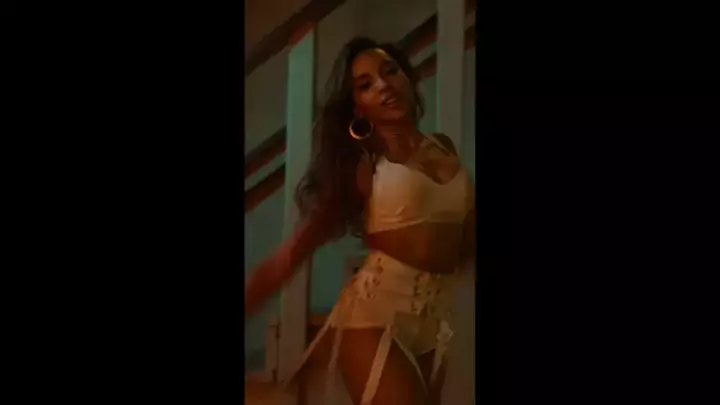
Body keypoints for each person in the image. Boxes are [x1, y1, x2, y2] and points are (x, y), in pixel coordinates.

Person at [245, 37, 475, 405]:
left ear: (407, 77)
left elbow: (465, 245)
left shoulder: (443, 147)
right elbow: (289, 256)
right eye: (366, 85)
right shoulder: (362, 166)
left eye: (390, 71)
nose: (383, 85)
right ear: (358, 107)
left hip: (436, 326)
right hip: (374, 319)